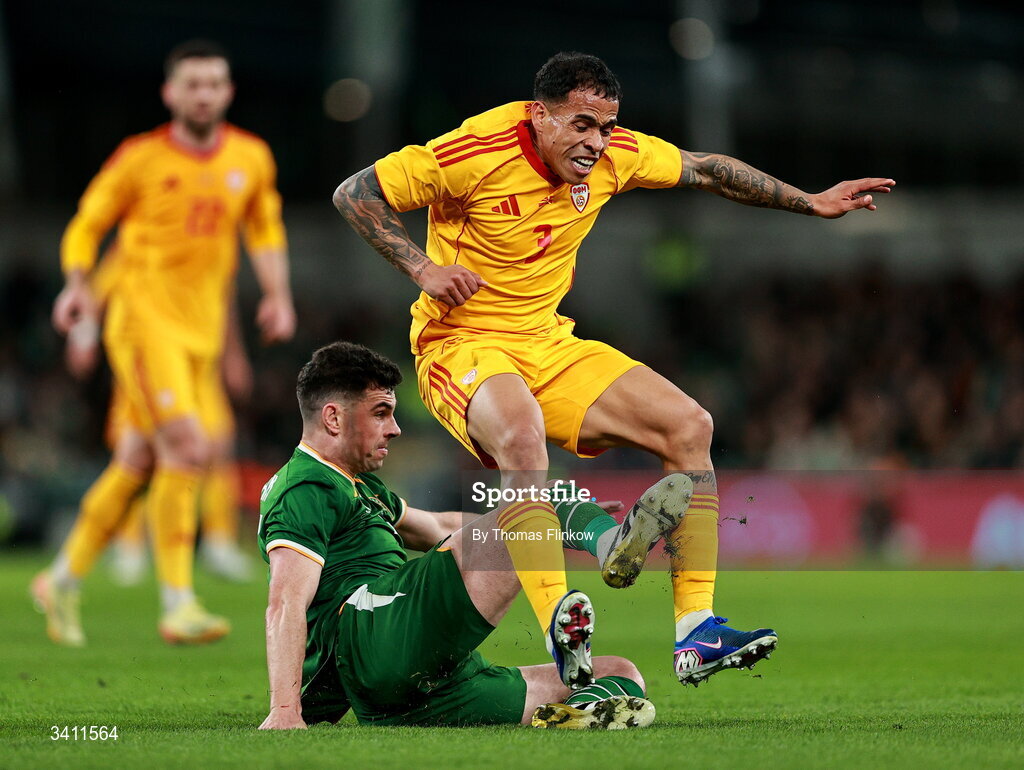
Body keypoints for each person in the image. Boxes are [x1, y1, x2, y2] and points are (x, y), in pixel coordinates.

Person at [333, 51, 894, 685]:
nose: (597, 142)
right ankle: (560, 629)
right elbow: (355, 191)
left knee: (690, 426)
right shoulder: (473, 150)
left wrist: (810, 201)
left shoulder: (616, 152)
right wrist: (422, 269)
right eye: (580, 125)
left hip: (548, 342)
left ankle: (696, 632)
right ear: (540, 116)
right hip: (463, 343)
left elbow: (707, 169)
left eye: (605, 126)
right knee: (522, 439)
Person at [33, 39, 296, 646]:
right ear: (171, 93)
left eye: (214, 84)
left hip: (200, 334)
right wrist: (78, 287)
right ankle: (178, 601)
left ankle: (62, 578)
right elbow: (88, 224)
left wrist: (277, 295)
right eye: (192, 84)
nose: (203, 94)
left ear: (227, 92)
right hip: (143, 324)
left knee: (140, 459)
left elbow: (263, 227)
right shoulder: (139, 158)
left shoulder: (250, 157)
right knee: (188, 445)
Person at [258, 341, 659, 730]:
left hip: (409, 680)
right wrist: (284, 710)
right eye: (381, 412)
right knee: (536, 497)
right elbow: (285, 600)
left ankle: (583, 710)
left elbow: (439, 527)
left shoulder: (359, 486)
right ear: (333, 418)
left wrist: (556, 524)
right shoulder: (304, 486)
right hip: (375, 635)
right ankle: (609, 546)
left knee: (622, 673)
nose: (395, 429)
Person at [64, 246, 256, 586]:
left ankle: (218, 542)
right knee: (137, 459)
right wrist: (82, 340)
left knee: (218, 449)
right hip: (148, 366)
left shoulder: (208, 242)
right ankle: (130, 546)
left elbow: (222, 303)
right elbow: (94, 296)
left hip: (198, 366)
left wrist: (234, 356)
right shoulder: (135, 248)